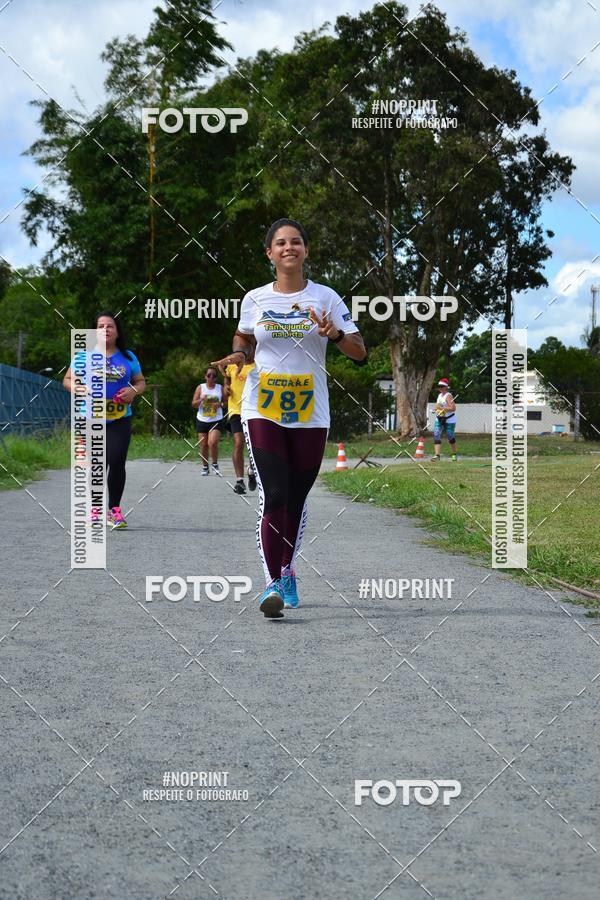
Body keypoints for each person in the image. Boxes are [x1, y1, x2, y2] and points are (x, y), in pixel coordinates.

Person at [212, 218, 367, 618]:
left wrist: (333, 334)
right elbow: (244, 336)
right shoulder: (255, 299)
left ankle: (287, 567)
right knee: (275, 493)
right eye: (280, 243)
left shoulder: (327, 298)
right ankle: (271, 585)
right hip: (262, 405)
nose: (289, 247)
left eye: (296, 241)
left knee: (296, 498)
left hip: (310, 411)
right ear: (269, 253)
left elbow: (359, 351)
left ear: (306, 250)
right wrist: (239, 354)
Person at [63, 311, 145, 529]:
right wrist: (77, 387)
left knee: (117, 460)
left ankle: (114, 510)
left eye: (110, 326)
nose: (105, 329)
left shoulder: (128, 357)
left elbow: (140, 382)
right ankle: (96, 509)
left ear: (117, 332)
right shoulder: (84, 355)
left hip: (120, 417)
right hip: (91, 417)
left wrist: (133, 391)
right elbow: (67, 380)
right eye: (100, 326)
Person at [224, 360, 257, 494]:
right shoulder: (231, 366)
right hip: (236, 410)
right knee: (239, 442)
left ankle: (252, 471)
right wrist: (226, 386)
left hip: (254, 410)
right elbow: (226, 378)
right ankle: (239, 481)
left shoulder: (258, 365)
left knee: (254, 444)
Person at [192, 366, 225, 476]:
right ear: (205, 376)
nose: (211, 378)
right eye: (209, 375)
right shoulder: (200, 388)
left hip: (216, 419)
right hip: (202, 419)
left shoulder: (220, 388)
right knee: (203, 445)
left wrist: (219, 404)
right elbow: (193, 404)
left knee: (213, 442)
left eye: (214, 376)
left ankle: (215, 464)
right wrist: (201, 399)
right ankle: (205, 466)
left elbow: (227, 402)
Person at [431, 377, 457, 462]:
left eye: (442, 386)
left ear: (446, 387)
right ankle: (437, 455)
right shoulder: (439, 395)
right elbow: (437, 405)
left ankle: (454, 454)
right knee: (436, 435)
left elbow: (453, 408)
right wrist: (435, 410)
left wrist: (443, 408)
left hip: (449, 419)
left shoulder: (448, 396)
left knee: (450, 436)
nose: (440, 388)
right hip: (439, 418)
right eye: (439, 386)